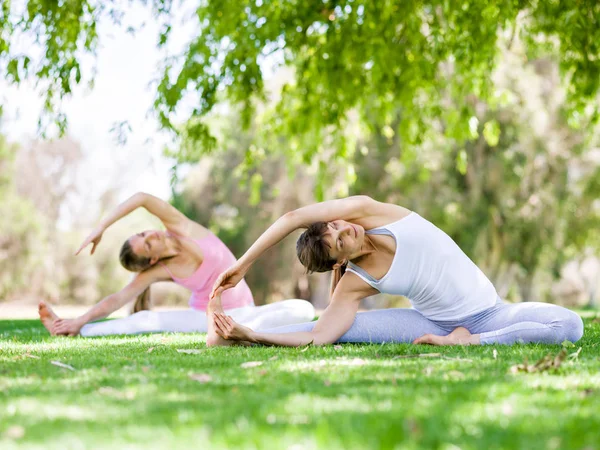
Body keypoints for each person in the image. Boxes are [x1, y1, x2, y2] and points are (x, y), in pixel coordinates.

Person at [207, 195, 583, 346]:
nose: (344, 229)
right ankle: (230, 333)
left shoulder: (369, 212)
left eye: (335, 225)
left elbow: (292, 217)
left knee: (569, 325)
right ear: (339, 261)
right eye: (338, 241)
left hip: (493, 312)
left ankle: (470, 342)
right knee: (340, 331)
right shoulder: (354, 281)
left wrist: (242, 265)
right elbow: (319, 336)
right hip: (432, 324)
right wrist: (252, 336)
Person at [38, 192, 315, 339]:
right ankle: (72, 329)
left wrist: (101, 227)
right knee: (145, 320)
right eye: (147, 245)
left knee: (302, 308)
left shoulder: (181, 226)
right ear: (153, 260)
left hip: (246, 312)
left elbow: (142, 199)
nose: (151, 236)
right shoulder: (162, 270)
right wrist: (80, 320)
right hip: (205, 317)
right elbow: (119, 298)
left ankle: (246, 331)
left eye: (144, 234)